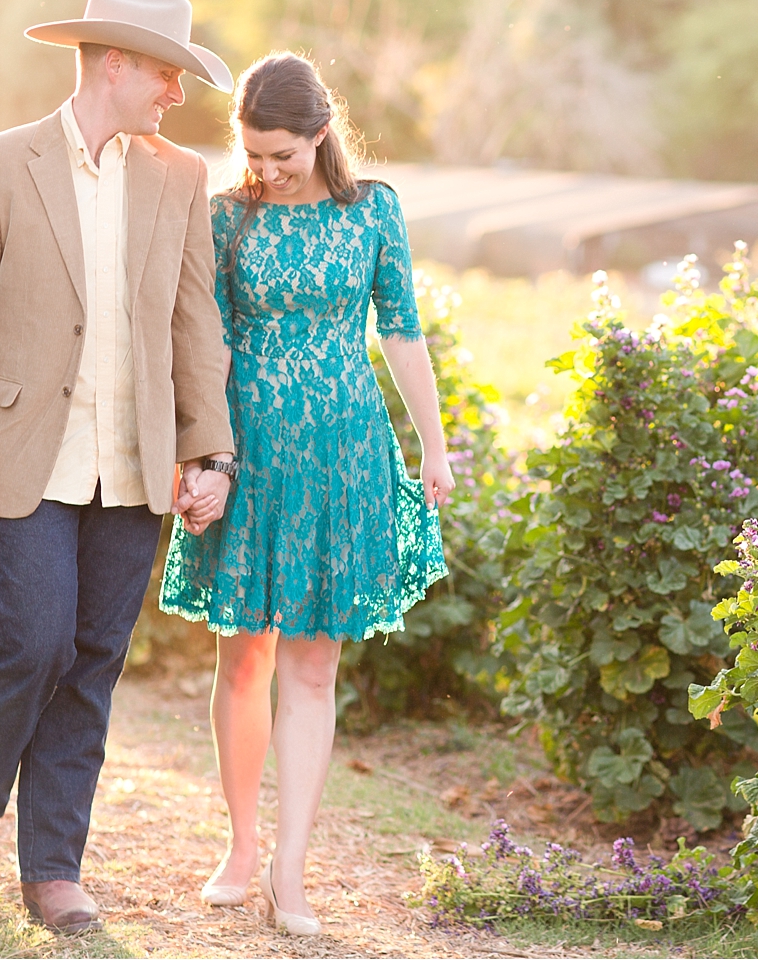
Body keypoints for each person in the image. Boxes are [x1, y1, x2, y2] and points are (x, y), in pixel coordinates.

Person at [0, 0, 237, 934]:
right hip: (23, 456)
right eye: (165, 74)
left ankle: (54, 867)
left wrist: (209, 452)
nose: (175, 94)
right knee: (30, 642)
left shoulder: (181, 178)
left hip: (134, 466)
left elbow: (196, 323)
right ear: (116, 64)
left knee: (94, 659)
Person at [159, 52, 452, 936]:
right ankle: (241, 847)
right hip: (247, 456)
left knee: (314, 664)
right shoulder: (226, 218)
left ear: (322, 134)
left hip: (343, 456)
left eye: (281, 153)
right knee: (243, 654)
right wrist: (201, 455)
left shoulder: (374, 212)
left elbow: (401, 331)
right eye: (253, 152)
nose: (266, 168)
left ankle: (291, 868)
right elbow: (202, 345)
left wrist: (431, 448)